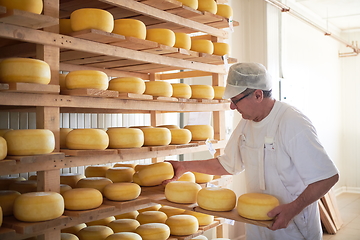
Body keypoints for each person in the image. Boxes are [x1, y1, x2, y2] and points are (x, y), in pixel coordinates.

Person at [163, 62, 339, 240]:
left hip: (293, 227)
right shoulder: (246, 124)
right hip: (257, 225)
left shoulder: (292, 122)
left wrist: (292, 209)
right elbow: (228, 164)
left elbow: (327, 177)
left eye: (235, 100)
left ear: (257, 95)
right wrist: (184, 165)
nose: (232, 107)